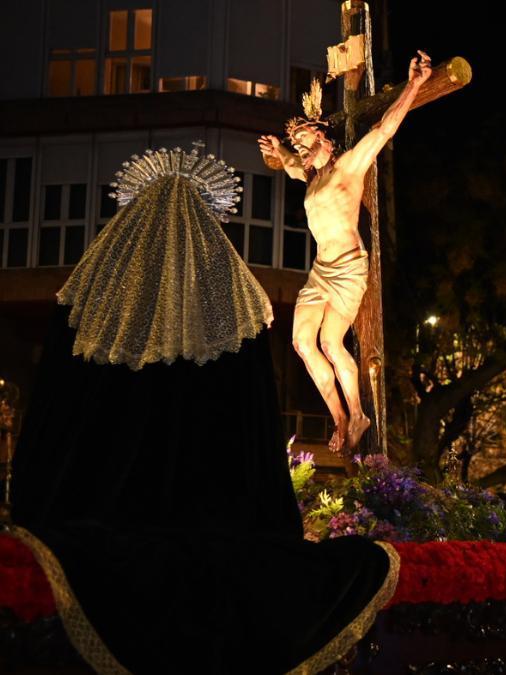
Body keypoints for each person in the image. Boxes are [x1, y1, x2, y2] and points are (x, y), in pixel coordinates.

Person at [12, 158, 397, 671]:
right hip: (227, 528)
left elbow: (52, 423)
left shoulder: (93, 306)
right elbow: (256, 438)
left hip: (88, 523)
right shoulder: (235, 313)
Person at [259, 53, 432, 452]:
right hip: (320, 269)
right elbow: (290, 164)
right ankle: (338, 417)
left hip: (349, 267)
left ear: (323, 138)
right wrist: (280, 150)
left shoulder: (349, 167)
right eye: (297, 144)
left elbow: (384, 128)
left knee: (331, 344)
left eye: (304, 140)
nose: (299, 148)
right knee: (303, 343)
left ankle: (357, 414)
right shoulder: (311, 177)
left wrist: (414, 85)